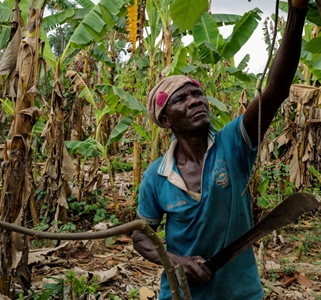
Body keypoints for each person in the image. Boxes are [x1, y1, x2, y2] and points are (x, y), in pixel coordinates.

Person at [132, 0, 308, 298]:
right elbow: (141, 236)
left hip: (241, 292)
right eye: (181, 99)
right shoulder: (156, 177)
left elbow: (276, 90)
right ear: (164, 120)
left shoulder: (233, 143)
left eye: (197, 94)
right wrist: (179, 261)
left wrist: (297, 12)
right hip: (181, 294)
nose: (194, 101)